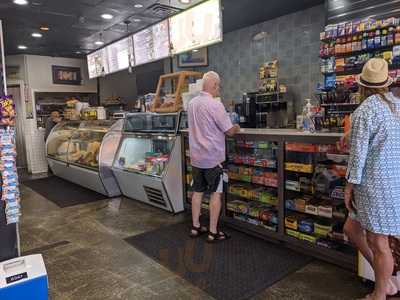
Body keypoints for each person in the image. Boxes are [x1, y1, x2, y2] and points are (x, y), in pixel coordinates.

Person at [345, 58, 400, 300]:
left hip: (375, 186)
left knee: (379, 244)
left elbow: (358, 156)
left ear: (363, 86)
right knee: (352, 228)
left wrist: (349, 186)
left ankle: (380, 293)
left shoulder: (364, 110)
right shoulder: (395, 105)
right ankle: (386, 281)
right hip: (393, 182)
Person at [188, 71, 240, 243]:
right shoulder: (215, 105)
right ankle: (212, 232)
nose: (219, 89)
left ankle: (196, 227)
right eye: (219, 86)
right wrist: (237, 127)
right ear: (214, 85)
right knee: (216, 194)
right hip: (213, 159)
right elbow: (229, 131)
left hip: (196, 158)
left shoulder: (192, 103)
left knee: (197, 192)